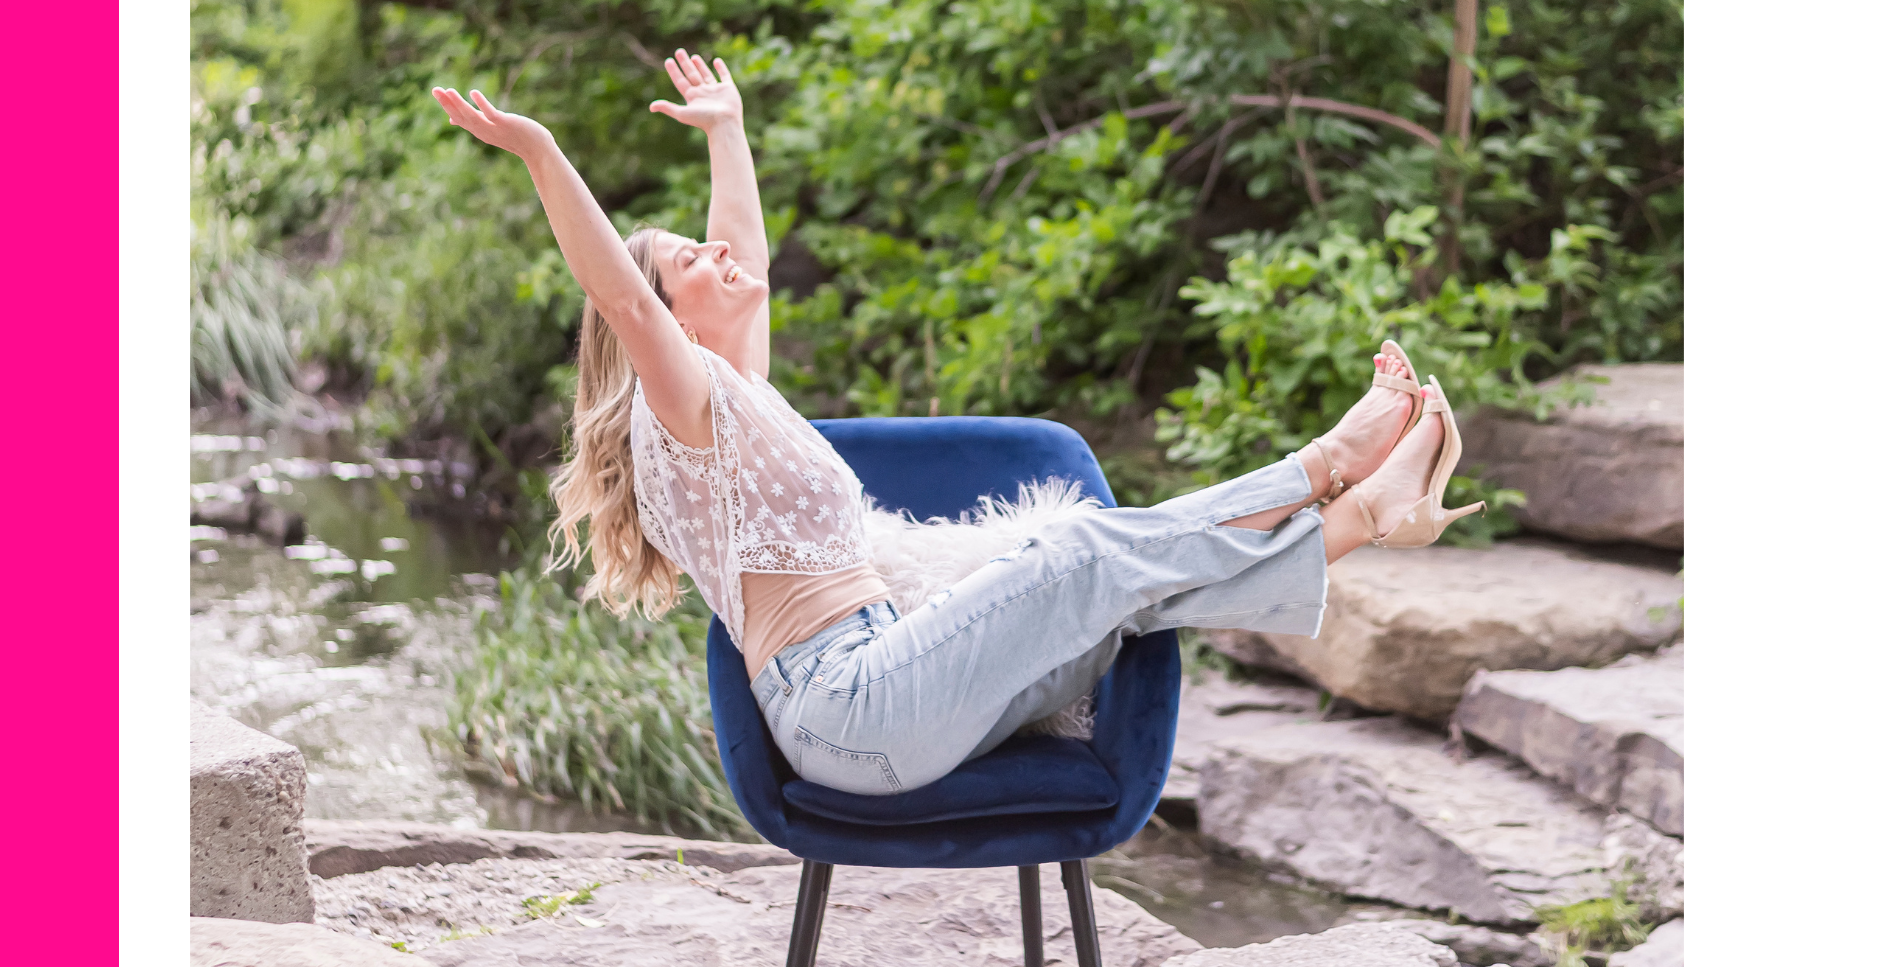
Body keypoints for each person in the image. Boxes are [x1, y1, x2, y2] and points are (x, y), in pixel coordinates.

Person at [432, 52, 1480, 800]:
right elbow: (621, 294)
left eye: (706, 249)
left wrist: (732, 132)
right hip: (852, 712)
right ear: (665, 323)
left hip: (898, 678)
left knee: (1120, 593)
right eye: (686, 267)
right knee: (1078, 548)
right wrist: (540, 154)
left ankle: (1366, 517)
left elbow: (736, 246)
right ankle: (1329, 465)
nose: (718, 256)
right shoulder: (688, 407)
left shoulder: (737, 401)